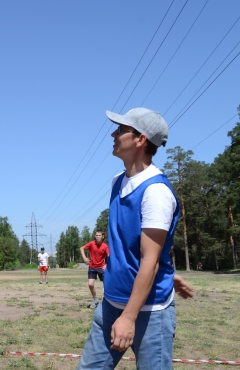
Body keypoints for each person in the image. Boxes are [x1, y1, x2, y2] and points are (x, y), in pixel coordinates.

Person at [77, 108, 194, 369]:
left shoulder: (156, 192)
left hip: (149, 313)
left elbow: (150, 261)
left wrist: (129, 318)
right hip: (111, 304)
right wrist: (166, 271)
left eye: (120, 130)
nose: (113, 134)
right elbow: (126, 247)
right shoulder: (117, 182)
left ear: (140, 140)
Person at [80, 230, 110, 309]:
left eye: (99, 235)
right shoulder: (91, 244)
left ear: (103, 236)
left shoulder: (105, 246)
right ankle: (95, 300)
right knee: (90, 284)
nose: (97, 237)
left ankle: (106, 301)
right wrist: (84, 258)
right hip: (92, 267)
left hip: (101, 268)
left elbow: (109, 256)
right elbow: (81, 248)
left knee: (106, 285)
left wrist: (106, 265)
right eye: (96, 235)